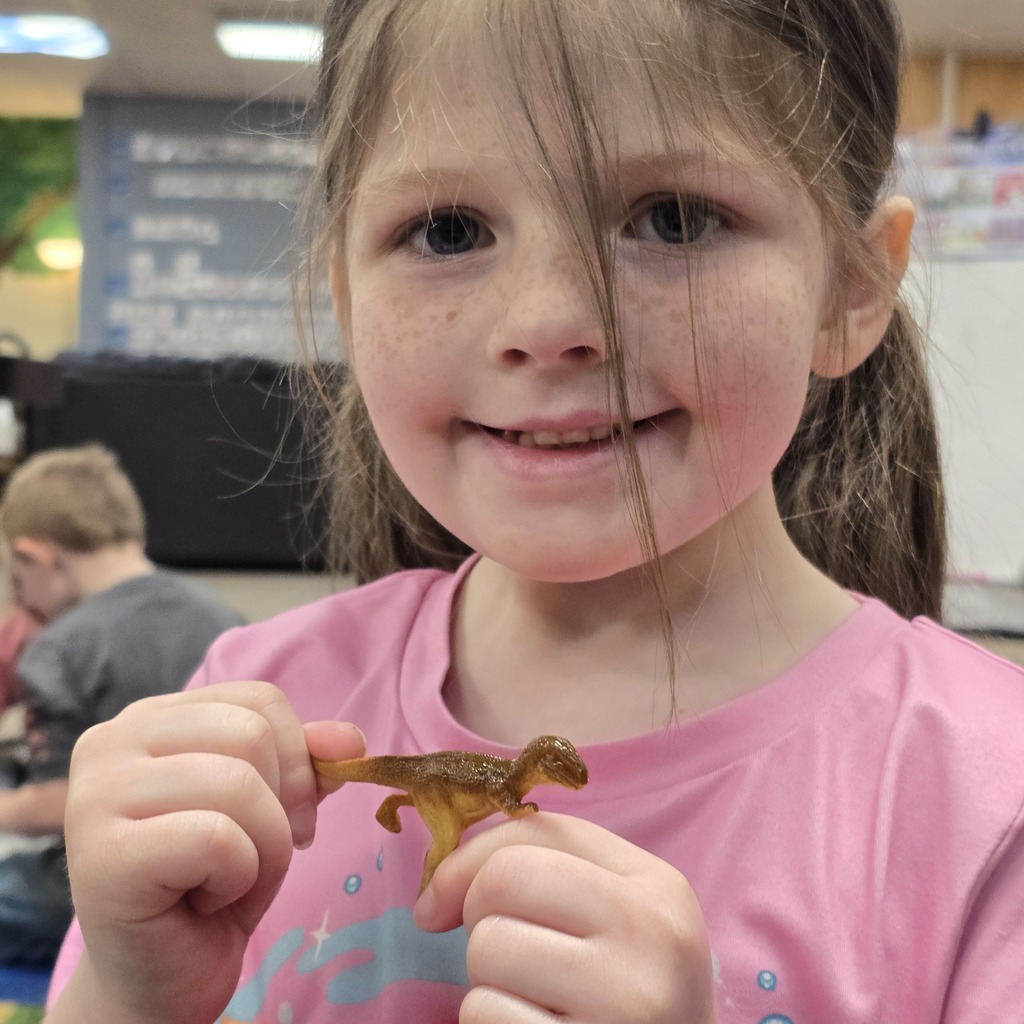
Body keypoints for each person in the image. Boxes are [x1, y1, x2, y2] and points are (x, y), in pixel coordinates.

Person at [44, 0, 1024, 1021]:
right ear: (344, 290)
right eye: (448, 230)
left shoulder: (987, 805)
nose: (551, 322)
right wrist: (125, 994)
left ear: (851, 289)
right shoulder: (254, 702)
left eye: (675, 218)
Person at [0, 443, 245, 967]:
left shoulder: (61, 646)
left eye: (18, 583)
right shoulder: (222, 616)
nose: (23, 605)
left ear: (36, 557)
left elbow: (57, 801)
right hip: (231, 865)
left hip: (125, 883)